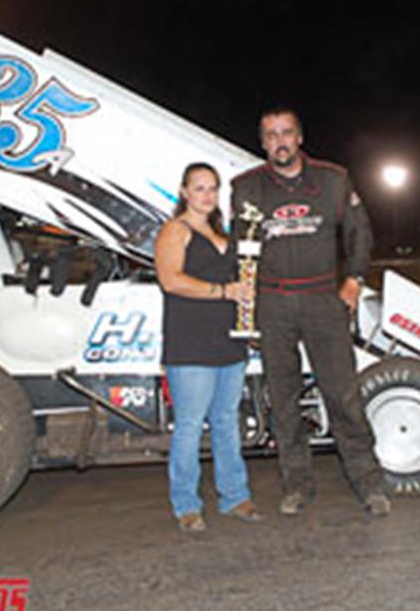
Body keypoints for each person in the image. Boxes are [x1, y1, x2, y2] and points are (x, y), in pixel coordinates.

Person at [231, 106, 390, 517]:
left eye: (286, 133)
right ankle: (297, 485)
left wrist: (353, 279)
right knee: (283, 399)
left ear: (299, 137)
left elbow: (360, 232)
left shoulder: (333, 179)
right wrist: (246, 313)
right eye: (270, 135)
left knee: (343, 394)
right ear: (262, 142)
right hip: (273, 304)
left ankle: (368, 482)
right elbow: (241, 255)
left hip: (323, 300)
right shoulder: (246, 187)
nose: (279, 141)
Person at [154, 162, 261, 532]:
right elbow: (171, 280)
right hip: (190, 343)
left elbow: (240, 279)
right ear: (184, 192)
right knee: (189, 425)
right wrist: (223, 292)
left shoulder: (226, 234)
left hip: (228, 341)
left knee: (226, 422)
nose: (207, 195)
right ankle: (186, 504)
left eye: (212, 188)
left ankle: (235, 496)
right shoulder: (174, 230)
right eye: (199, 188)